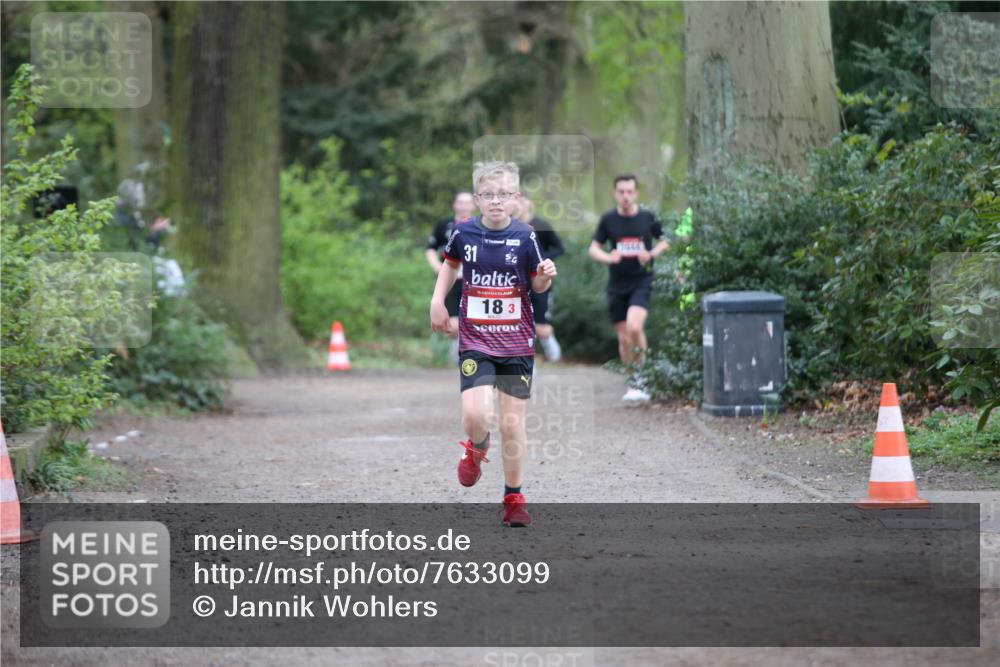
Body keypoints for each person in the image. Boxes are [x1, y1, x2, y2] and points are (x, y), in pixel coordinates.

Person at [430, 161, 557, 527]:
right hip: (477, 339)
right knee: (474, 416)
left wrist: (545, 277)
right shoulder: (464, 233)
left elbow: (536, 286)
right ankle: (477, 447)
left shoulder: (526, 237)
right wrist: (437, 300)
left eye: (503, 195)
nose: (496, 201)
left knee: (512, 424)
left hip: (517, 343)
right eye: (488, 195)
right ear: (478, 199)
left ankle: (513, 498)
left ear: (515, 198)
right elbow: (450, 266)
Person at [588, 174, 670, 403]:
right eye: (621, 192)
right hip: (617, 284)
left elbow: (665, 240)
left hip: (641, 280)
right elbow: (593, 248)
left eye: (629, 191)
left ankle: (643, 375)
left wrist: (651, 253)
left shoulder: (647, 218)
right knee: (624, 337)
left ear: (636, 194)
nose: (625, 196)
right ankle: (633, 381)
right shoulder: (608, 220)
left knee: (635, 327)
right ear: (616, 193)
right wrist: (609, 257)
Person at [426, 192, 476, 362]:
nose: (463, 206)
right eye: (460, 202)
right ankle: (458, 347)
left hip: (475, 282)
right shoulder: (444, 226)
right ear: (454, 205)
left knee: (475, 321)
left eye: (467, 202)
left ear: (473, 205)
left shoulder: (481, 226)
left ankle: (471, 353)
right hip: (451, 281)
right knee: (452, 326)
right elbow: (431, 248)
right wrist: (436, 266)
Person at [517, 197, 565, 362]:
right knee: (519, 324)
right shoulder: (509, 227)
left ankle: (551, 346)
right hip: (517, 283)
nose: (519, 205)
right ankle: (526, 361)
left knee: (541, 327)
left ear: (529, 203)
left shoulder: (541, 225)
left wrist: (542, 260)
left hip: (539, 280)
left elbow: (559, 248)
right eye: (516, 201)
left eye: (522, 201)